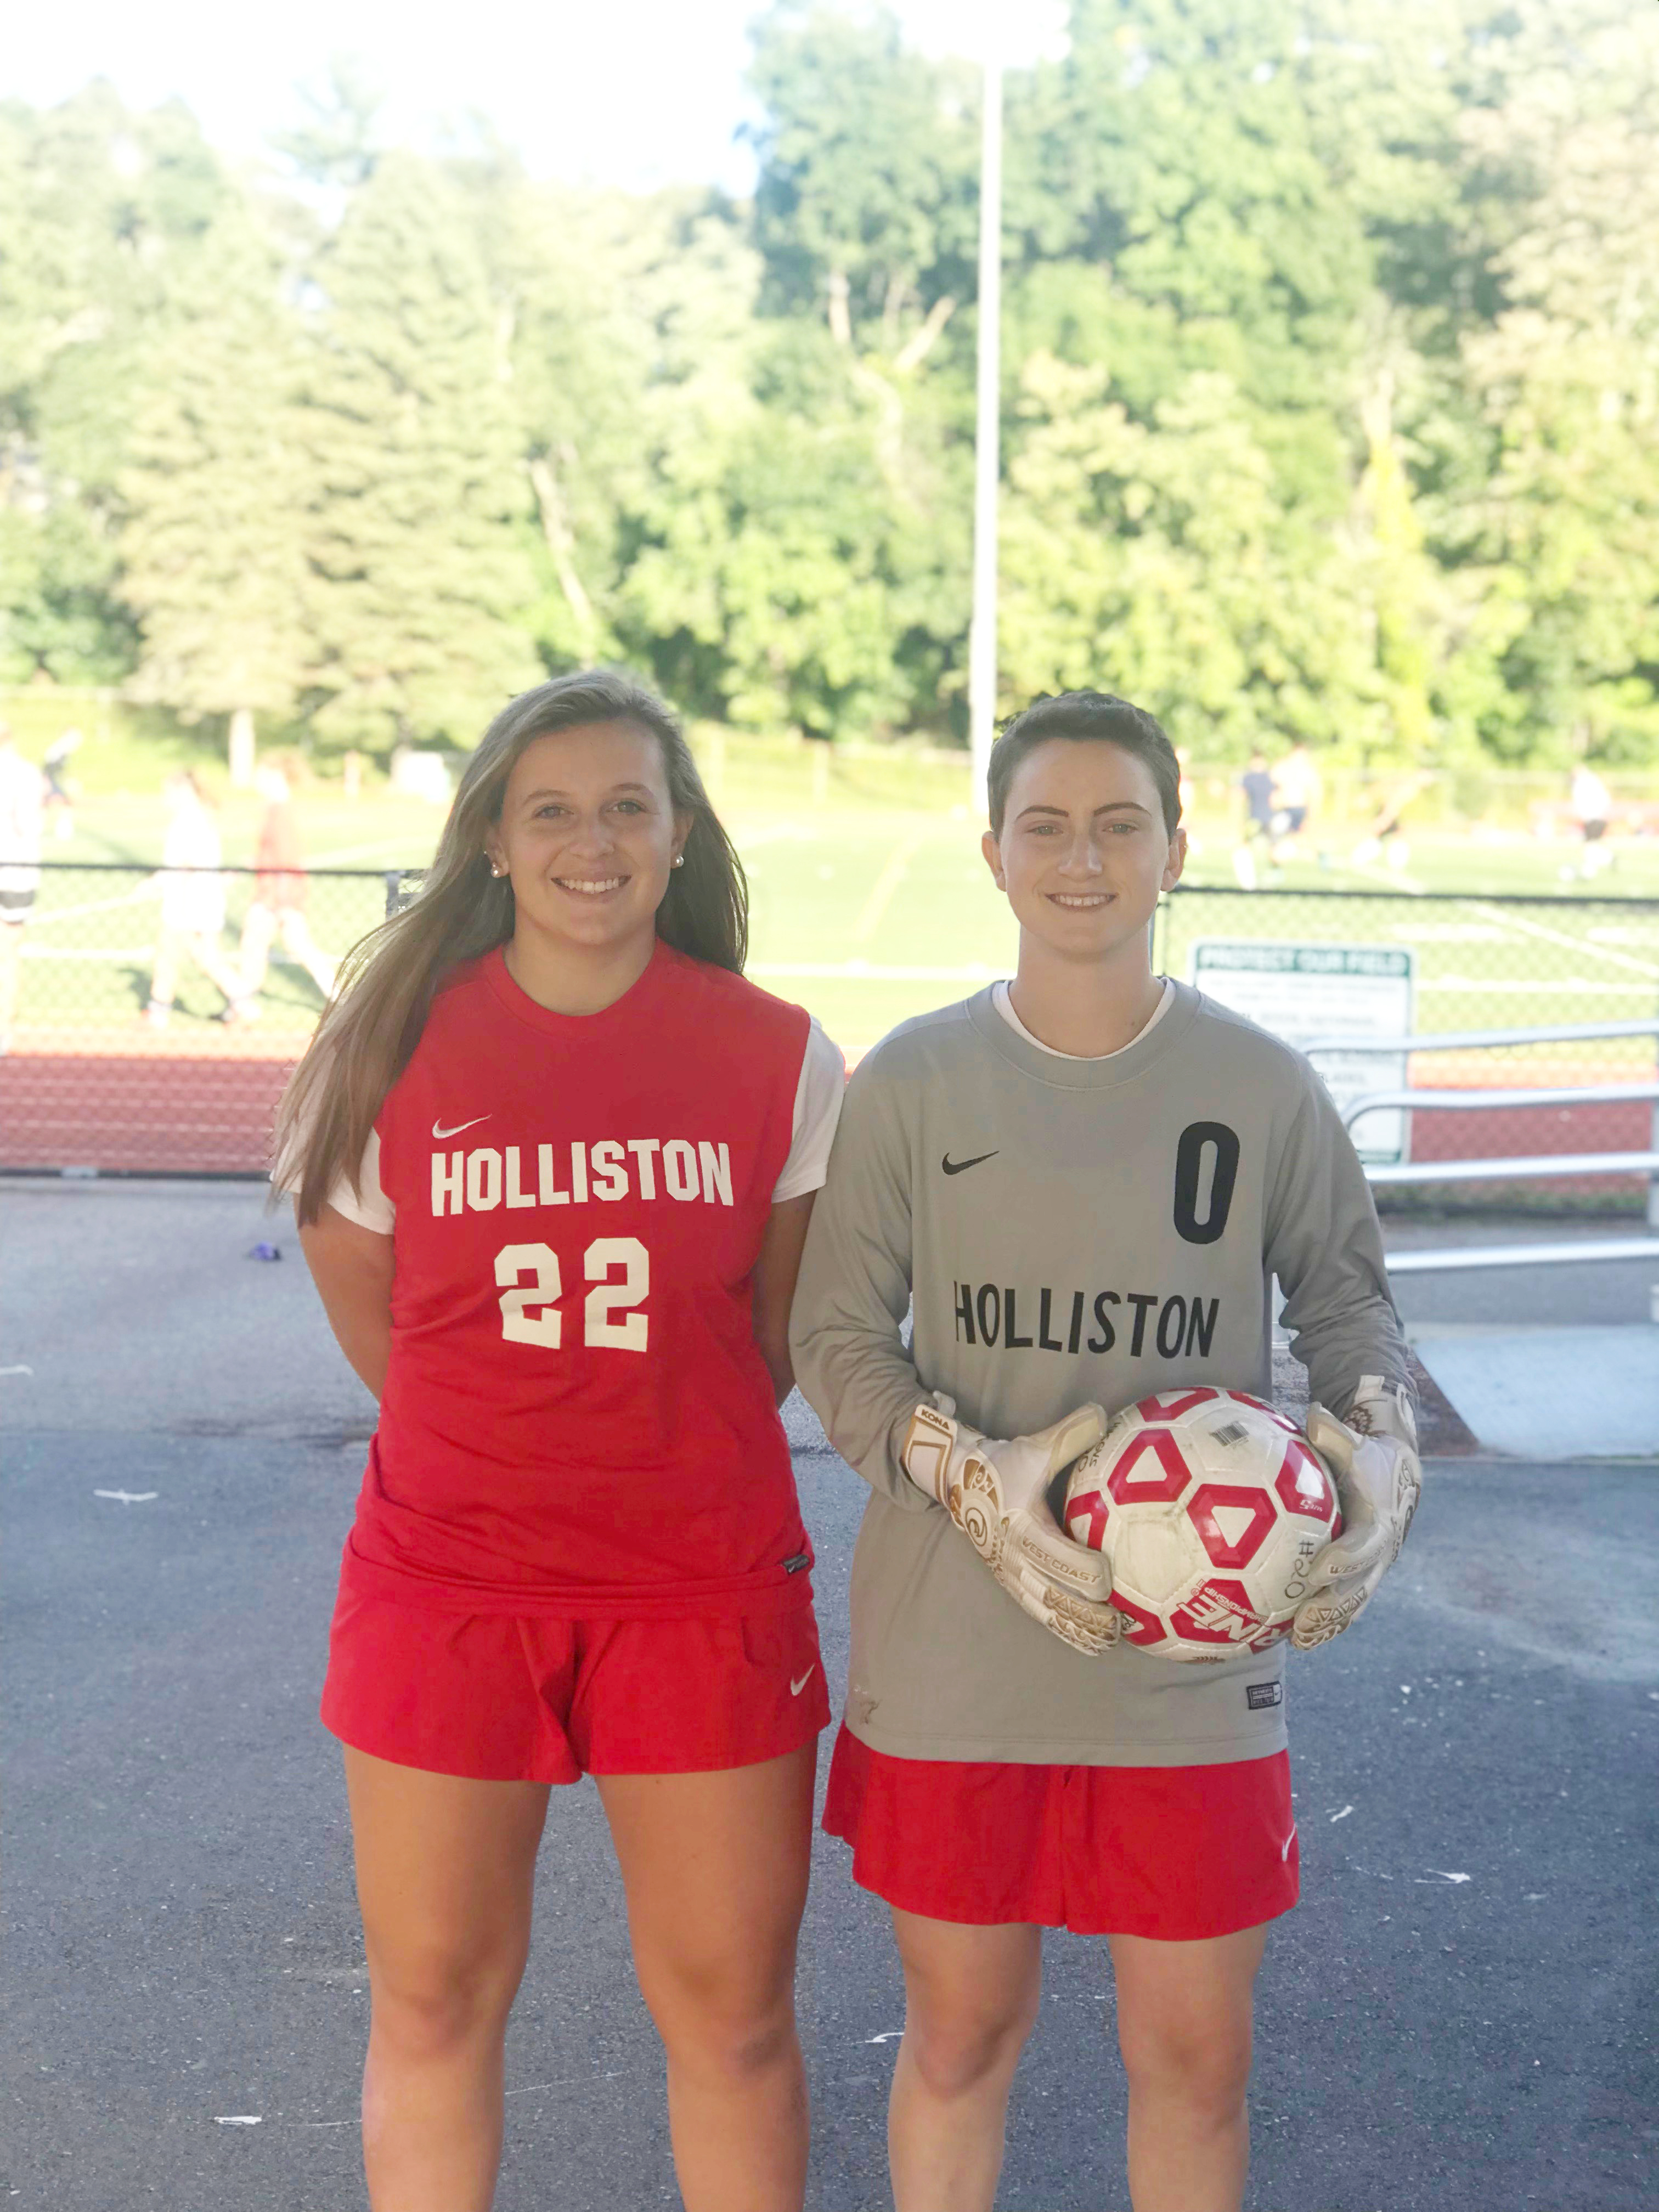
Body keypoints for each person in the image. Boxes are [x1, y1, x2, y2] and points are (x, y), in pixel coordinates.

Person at [789, 689, 1421, 2212]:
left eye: (1119, 825)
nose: (1084, 860)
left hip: (1196, 1653)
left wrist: (1380, 1445)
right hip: (960, 1653)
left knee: (1197, 2059)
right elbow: (835, 1339)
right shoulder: (917, 1081)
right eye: (1047, 828)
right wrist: (967, 1475)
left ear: (1178, 849)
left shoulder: (1260, 1086)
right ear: (994, 856)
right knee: (959, 2034)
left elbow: (1349, 1303)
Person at [276, 672, 844, 2212]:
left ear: (676, 837)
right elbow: (367, 1297)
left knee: (731, 2023)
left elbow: (771, 1336)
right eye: (553, 811)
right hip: (449, 1584)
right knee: (437, 2003)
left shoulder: (782, 1057)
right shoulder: (388, 1050)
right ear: (495, 844)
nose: (591, 842)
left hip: (702, 1589)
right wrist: (500, 1441)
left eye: (626, 807)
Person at [228, 756, 337, 1018]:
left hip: (276, 895)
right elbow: (269, 855)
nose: (257, 782)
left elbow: (287, 860)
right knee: (272, 945)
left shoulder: (281, 813)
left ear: (275, 777)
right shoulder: (273, 810)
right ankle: (243, 1004)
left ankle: (244, 1004)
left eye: (261, 776)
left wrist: (284, 902)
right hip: (271, 892)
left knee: (266, 945)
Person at [144, 771, 244, 1027]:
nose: (165, 799)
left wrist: (157, 882)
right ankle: (242, 1000)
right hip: (205, 899)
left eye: (168, 792)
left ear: (182, 792)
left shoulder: (188, 819)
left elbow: (186, 863)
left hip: (189, 900)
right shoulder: (201, 816)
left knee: (168, 953)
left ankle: (158, 1011)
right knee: (207, 957)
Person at [0, 720, 45, 1057]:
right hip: (19, 871)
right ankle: (5, 1029)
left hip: (14, 868)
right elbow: (29, 825)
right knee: (9, 953)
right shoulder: (28, 773)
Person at [1268, 740, 1321, 861]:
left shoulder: (1308, 771)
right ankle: (1277, 862)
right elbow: (1272, 785)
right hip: (1283, 809)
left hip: (1299, 810)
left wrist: (1312, 814)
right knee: (1276, 835)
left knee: (1298, 840)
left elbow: (1314, 793)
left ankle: (1317, 856)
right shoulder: (1282, 766)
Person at [1232, 748, 1275, 887]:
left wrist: (1240, 822)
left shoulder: (1248, 777)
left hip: (1256, 820)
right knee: (1272, 848)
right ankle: (1272, 875)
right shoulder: (1271, 777)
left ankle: (1248, 883)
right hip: (1270, 819)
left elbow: (1239, 798)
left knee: (1243, 848)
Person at [42, 725, 82, 841]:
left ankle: (63, 829)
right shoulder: (60, 749)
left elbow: (60, 768)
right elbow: (49, 767)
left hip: (51, 779)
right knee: (49, 805)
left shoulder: (63, 750)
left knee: (63, 803)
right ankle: (63, 830)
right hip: (49, 779)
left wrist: (68, 779)